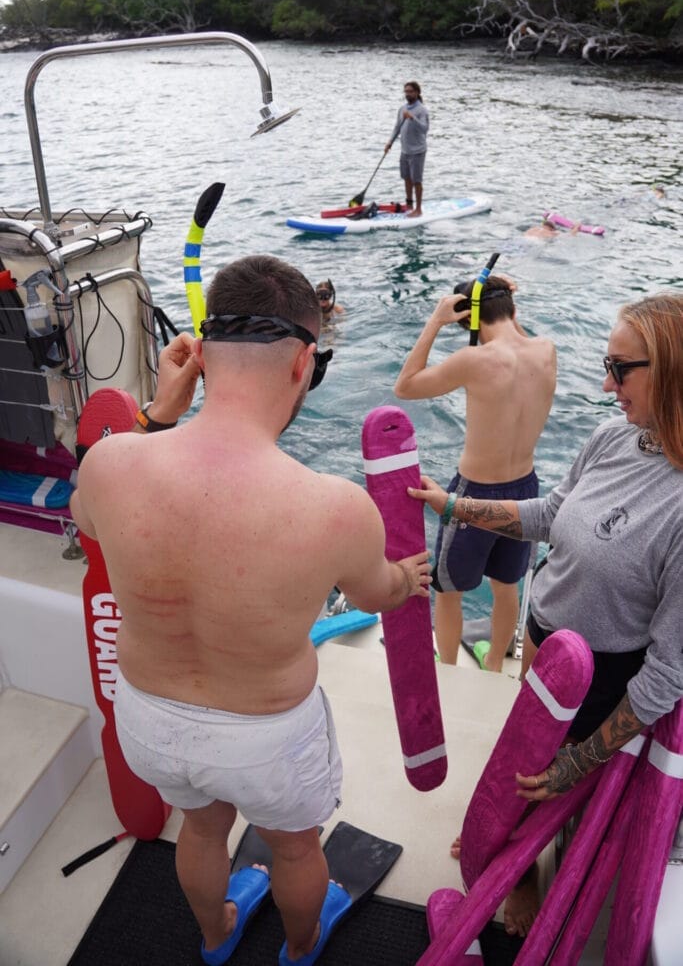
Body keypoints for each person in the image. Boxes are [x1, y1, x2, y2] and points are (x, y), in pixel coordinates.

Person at [70, 255, 431, 966]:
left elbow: (86, 519)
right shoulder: (332, 507)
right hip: (265, 736)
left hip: (149, 716)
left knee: (202, 832)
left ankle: (214, 937)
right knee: (295, 849)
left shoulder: (110, 467)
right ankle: (299, 950)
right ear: (303, 364)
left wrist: (156, 414)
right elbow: (375, 596)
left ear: (198, 358)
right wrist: (405, 576)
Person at [408, 291, 683, 936]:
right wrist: (455, 507)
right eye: (607, 364)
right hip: (543, 639)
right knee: (523, 760)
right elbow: (551, 514)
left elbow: (668, 671)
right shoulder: (615, 436)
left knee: (550, 781)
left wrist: (579, 762)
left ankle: (529, 860)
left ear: (670, 372)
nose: (606, 382)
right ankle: (511, 853)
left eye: (621, 369)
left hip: (604, 675)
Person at [394, 274, 556, 673]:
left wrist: (435, 320)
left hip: (473, 494)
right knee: (506, 588)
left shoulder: (474, 360)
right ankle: (493, 671)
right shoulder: (547, 350)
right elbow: (512, 330)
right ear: (512, 308)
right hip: (526, 492)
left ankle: (447, 670)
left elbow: (405, 386)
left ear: (469, 318)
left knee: (448, 590)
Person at [384, 81, 429, 218]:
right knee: (406, 178)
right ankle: (409, 205)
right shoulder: (402, 109)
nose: (407, 94)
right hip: (405, 150)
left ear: (417, 93)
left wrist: (413, 118)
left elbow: (424, 129)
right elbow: (397, 127)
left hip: (417, 151)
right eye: (406, 91)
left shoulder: (422, 110)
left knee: (417, 180)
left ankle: (418, 209)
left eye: (410, 91)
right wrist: (390, 142)